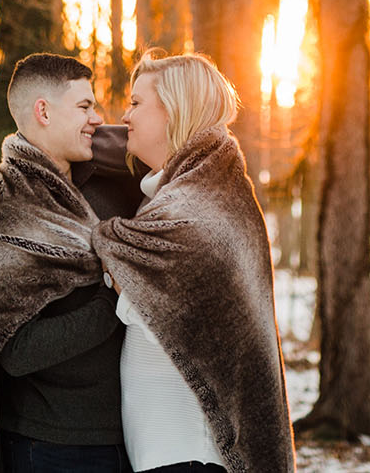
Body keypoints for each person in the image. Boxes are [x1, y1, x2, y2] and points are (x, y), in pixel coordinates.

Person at [95, 52, 295, 473]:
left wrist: (112, 249)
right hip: (167, 450)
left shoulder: (199, 203)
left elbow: (151, 301)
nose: (124, 115)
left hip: (189, 450)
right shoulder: (183, 192)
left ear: (173, 110)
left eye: (136, 103)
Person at [0, 53, 130, 473]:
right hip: (50, 445)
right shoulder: (5, 213)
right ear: (43, 112)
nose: (97, 118)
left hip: (132, 434)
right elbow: (14, 350)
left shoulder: (111, 185)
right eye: (84, 106)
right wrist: (115, 301)